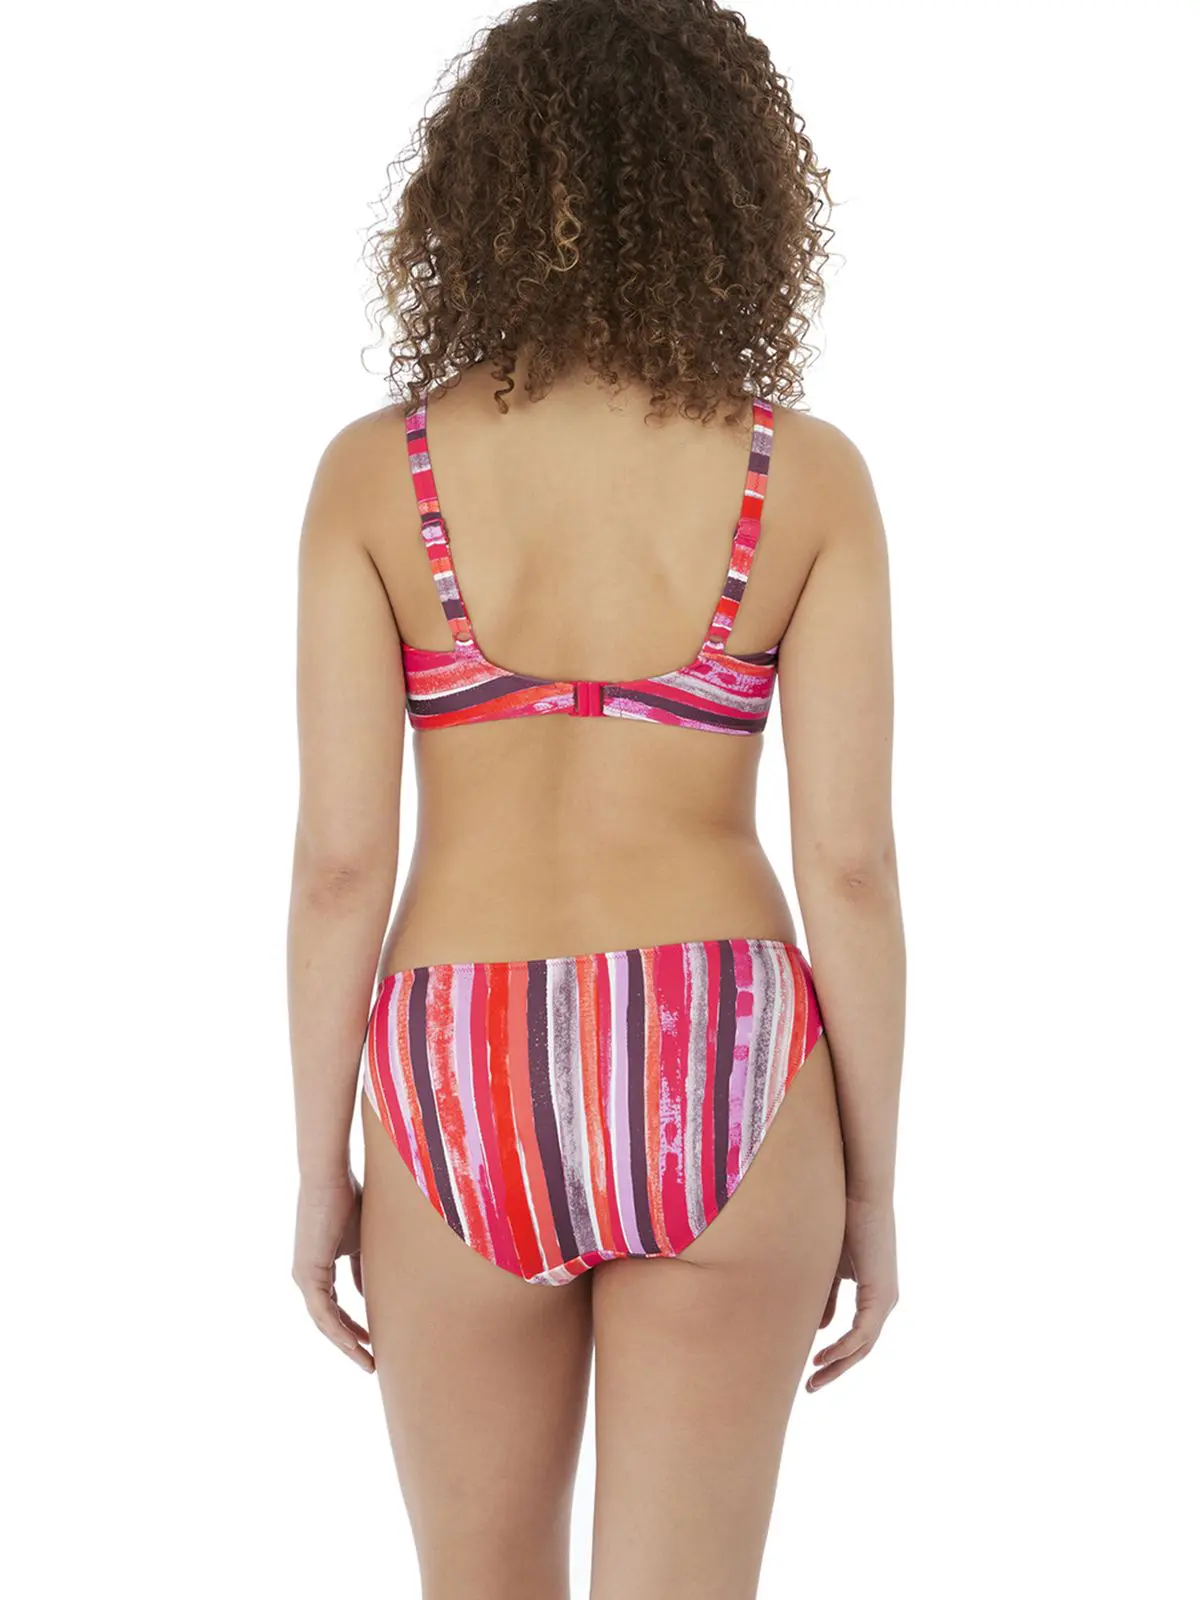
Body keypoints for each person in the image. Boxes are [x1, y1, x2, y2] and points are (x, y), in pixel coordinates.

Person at [287, 1, 905, 1595]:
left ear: (478, 193)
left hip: (459, 1064)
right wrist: (872, 1188)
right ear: (733, 195)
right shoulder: (801, 476)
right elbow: (848, 864)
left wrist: (318, 1173)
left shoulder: (378, 476)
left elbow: (343, 865)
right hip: (725, 1054)